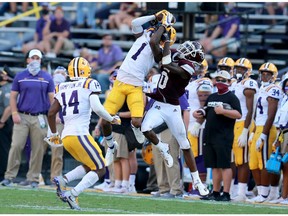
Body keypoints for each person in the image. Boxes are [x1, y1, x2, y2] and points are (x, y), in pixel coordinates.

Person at [140, 17, 209, 195]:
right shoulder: (177, 55)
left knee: (185, 144)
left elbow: (167, 64)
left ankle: (198, 182)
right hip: (158, 104)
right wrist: (163, 27)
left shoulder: (189, 69)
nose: (184, 49)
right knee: (145, 128)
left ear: (194, 56)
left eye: (189, 50)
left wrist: (168, 42)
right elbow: (154, 43)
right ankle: (163, 148)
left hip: (172, 108)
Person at [101, 10, 176, 167]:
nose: (155, 31)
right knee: (105, 121)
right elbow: (135, 23)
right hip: (120, 82)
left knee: (137, 122)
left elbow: (154, 42)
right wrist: (155, 18)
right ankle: (110, 146)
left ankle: (159, 145)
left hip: (135, 86)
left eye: (160, 32)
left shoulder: (158, 51)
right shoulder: (143, 36)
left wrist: (163, 25)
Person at [46, 57, 120, 210]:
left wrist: (54, 133)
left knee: (90, 164)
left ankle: (64, 179)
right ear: (85, 70)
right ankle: (73, 194)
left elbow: (51, 113)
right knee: (100, 168)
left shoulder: (62, 87)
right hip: (80, 134)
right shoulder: (89, 83)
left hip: (66, 136)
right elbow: (98, 108)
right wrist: (111, 118)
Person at [0, 49, 54, 188]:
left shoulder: (47, 77)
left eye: (38, 57)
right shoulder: (20, 76)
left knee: (38, 149)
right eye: (33, 57)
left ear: (41, 60)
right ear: (28, 60)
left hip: (40, 117)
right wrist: (14, 113)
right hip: (22, 115)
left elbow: (52, 99)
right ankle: (9, 177)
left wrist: (54, 116)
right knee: (16, 145)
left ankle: (34, 178)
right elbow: (13, 96)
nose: (35, 60)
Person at [194, 70, 242, 201]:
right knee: (214, 165)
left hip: (224, 135)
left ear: (228, 82)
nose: (220, 82)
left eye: (223, 80)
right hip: (210, 134)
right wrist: (198, 113)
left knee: (225, 165)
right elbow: (205, 110)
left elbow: (238, 114)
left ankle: (226, 193)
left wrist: (224, 111)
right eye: (218, 79)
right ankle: (215, 192)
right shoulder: (212, 96)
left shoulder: (231, 97)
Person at [247, 63, 283, 203]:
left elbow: (271, 114)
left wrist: (263, 134)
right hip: (258, 127)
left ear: (274, 76)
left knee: (264, 162)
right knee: (253, 163)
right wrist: (254, 131)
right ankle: (262, 191)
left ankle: (265, 194)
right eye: (263, 73)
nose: (264, 75)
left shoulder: (274, 89)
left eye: (268, 73)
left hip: (268, 128)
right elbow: (258, 114)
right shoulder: (262, 88)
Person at [229, 58, 258, 202]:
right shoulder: (234, 83)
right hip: (232, 123)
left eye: (242, 69)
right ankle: (231, 190)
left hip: (243, 123)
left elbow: (250, 109)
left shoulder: (249, 83)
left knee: (243, 159)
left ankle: (241, 191)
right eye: (237, 68)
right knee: (232, 159)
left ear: (248, 71)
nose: (239, 71)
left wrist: (246, 130)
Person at [269, 72, 288, 204]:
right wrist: (277, 139)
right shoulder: (285, 100)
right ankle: (283, 195)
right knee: (283, 166)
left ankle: (285, 196)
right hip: (283, 133)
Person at [0, 67, 14, 181]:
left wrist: (2, 121)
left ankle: (3, 174)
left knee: (4, 148)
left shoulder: (7, 88)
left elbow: (9, 107)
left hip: (4, 122)